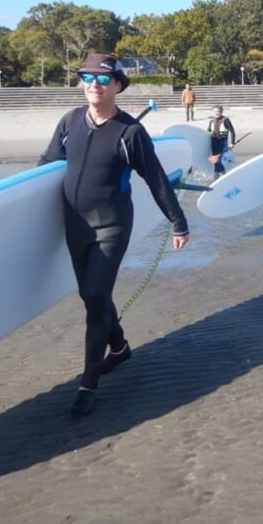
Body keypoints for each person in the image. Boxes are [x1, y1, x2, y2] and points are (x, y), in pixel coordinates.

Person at [38, 53, 189, 417]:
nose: (94, 84)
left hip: (111, 226)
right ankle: (119, 348)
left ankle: (88, 384)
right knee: (92, 296)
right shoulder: (70, 121)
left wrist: (179, 222)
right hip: (74, 225)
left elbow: (155, 179)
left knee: (94, 298)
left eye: (103, 79)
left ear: (118, 85)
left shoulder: (129, 133)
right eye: (87, 77)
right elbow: (45, 165)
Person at [206, 105, 236, 177]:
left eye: (218, 111)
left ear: (221, 111)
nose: (216, 112)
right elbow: (208, 131)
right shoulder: (211, 121)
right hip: (214, 142)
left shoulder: (226, 120)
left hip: (223, 142)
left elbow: (232, 132)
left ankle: (222, 172)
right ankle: (216, 173)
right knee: (215, 159)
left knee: (218, 159)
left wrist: (232, 142)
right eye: (215, 111)